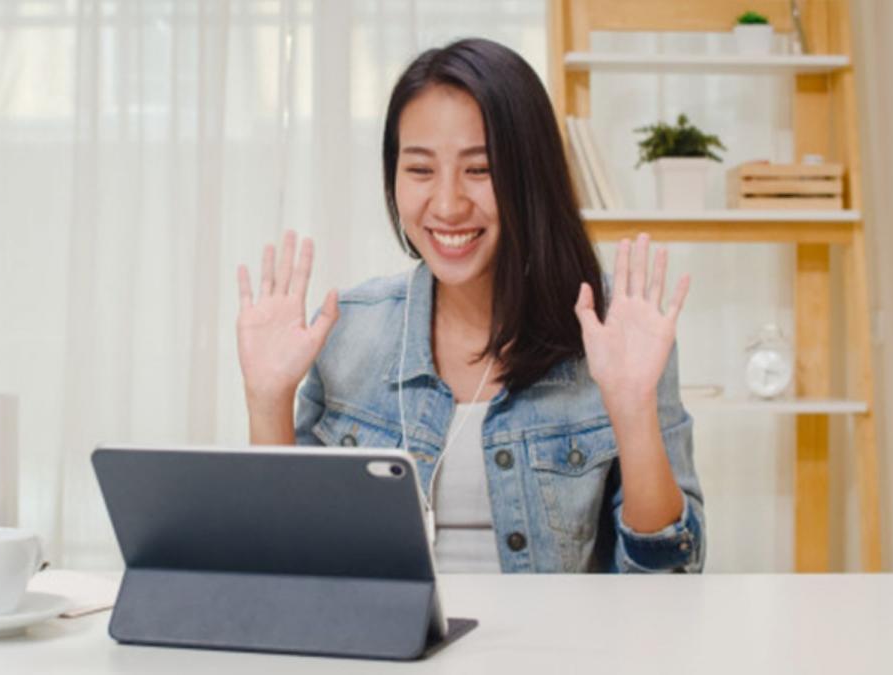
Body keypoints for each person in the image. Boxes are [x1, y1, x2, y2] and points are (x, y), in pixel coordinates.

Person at [235, 38, 704, 573]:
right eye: (419, 170)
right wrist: (267, 401)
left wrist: (632, 408)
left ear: (531, 177)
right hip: (386, 656)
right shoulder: (346, 331)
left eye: (479, 170)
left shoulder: (616, 329)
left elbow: (670, 576)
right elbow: (287, 563)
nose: (449, 204)